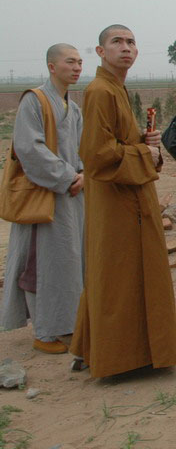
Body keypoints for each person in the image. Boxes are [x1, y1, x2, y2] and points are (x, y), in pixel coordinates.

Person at [70, 25, 176, 377]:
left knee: (124, 272)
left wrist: (143, 142)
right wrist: (144, 153)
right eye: (116, 42)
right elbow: (97, 154)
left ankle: (110, 350)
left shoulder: (116, 88)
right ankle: (118, 358)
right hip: (115, 199)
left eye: (131, 42)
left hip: (129, 193)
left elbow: (117, 142)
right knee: (118, 274)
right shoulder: (100, 91)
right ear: (101, 52)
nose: (126, 47)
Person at [0, 44, 85, 354]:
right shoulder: (34, 100)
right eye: (70, 62)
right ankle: (45, 332)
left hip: (72, 197)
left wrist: (83, 174)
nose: (77, 67)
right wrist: (67, 177)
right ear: (51, 66)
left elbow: (82, 148)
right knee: (40, 265)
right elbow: (29, 148)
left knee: (68, 263)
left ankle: (66, 324)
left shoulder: (73, 107)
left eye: (80, 62)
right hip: (44, 196)